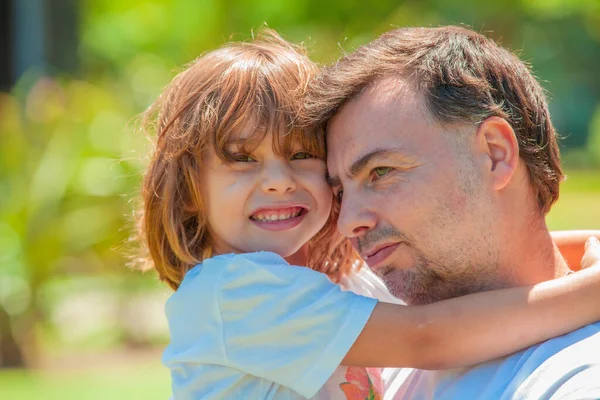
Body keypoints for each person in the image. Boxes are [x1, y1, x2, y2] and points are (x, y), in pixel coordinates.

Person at [135, 30, 600, 400]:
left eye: (301, 155)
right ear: (190, 189)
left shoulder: (343, 284)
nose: (278, 181)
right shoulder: (230, 294)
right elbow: (427, 338)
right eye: (241, 157)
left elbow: (472, 254)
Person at [304, 25, 600, 399]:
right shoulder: (385, 352)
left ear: (495, 154)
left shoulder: (577, 381)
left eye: (381, 172)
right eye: (341, 192)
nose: (348, 223)